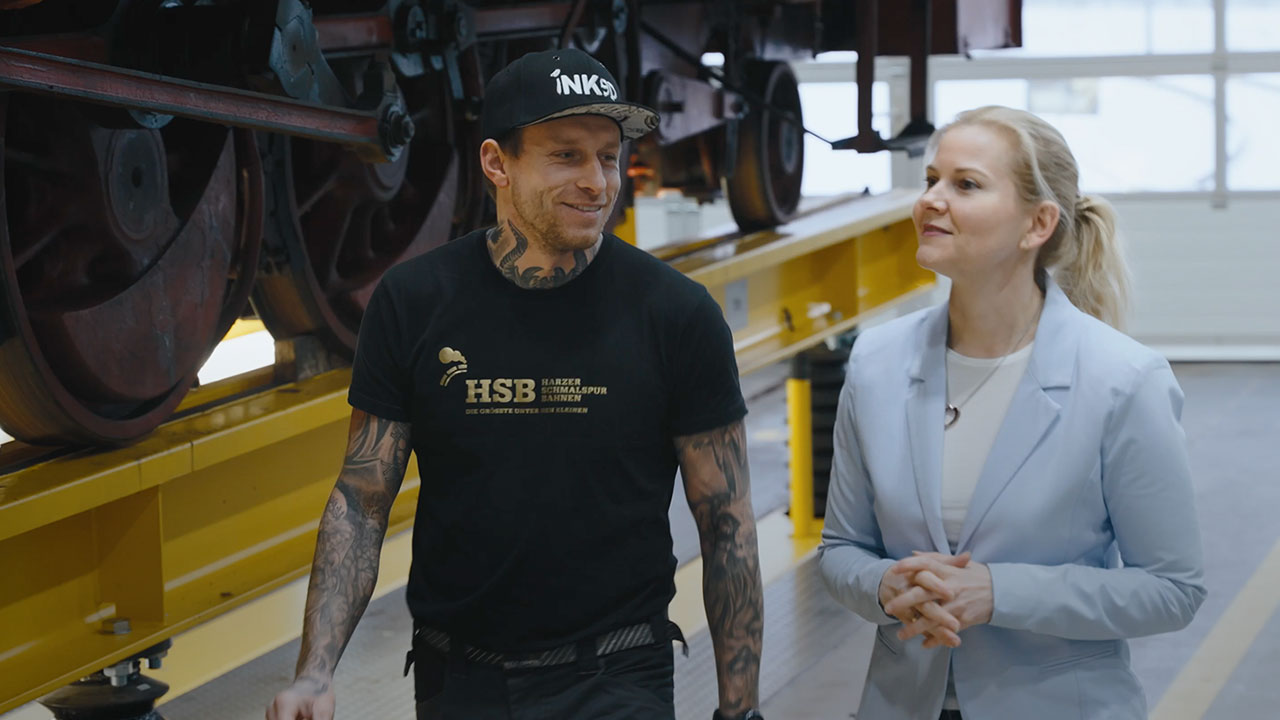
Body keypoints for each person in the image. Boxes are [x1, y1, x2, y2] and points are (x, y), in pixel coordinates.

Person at [266, 48, 766, 720]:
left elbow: (726, 521)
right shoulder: (415, 301)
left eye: (609, 156)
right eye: (566, 156)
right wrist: (315, 672)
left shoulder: (676, 315)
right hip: (460, 680)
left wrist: (741, 710)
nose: (598, 182)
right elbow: (361, 501)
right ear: (497, 162)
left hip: (617, 675)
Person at [817, 105, 1206, 719]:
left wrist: (1001, 592)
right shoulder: (877, 363)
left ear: (1038, 224)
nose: (931, 201)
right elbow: (842, 548)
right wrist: (884, 586)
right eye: (930, 181)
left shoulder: (1123, 381)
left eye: (965, 184)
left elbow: (1172, 590)